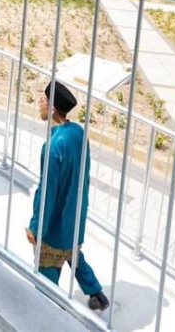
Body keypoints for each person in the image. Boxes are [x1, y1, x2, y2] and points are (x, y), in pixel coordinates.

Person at [25, 82, 110, 312]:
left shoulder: (53, 147)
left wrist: (35, 225)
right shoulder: (79, 133)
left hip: (54, 229)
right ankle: (96, 293)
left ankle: (53, 313)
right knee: (73, 254)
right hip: (76, 218)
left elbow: (47, 192)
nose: (39, 103)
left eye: (42, 100)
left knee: (46, 277)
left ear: (53, 108)